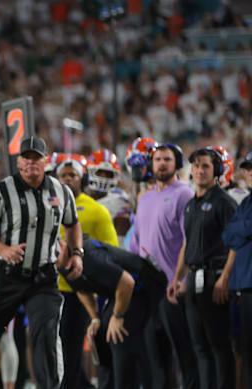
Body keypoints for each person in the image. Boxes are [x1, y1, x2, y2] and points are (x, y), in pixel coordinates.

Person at [0, 136, 84, 389]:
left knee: (47, 334)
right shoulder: (2, 190)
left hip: (44, 277)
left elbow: (72, 224)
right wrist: (3, 249)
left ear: (45, 161)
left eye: (37, 157)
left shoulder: (61, 191)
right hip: (6, 275)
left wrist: (77, 252)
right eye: (26, 157)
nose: (31, 162)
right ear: (19, 162)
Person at [128, 143, 198, 389]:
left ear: (177, 164)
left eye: (167, 159)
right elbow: (135, 245)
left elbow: (189, 241)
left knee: (185, 357)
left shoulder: (184, 194)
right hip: (148, 291)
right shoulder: (144, 198)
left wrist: (180, 280)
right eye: (157, 159)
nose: (161, 163)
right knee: (156, 361)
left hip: (173, 289)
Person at [167, 147, 237, 388]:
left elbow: (237, 243)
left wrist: (225, 277)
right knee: (200, 347)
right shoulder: (190, 205)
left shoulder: (224, 203)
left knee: (219, 345)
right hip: (194, 278)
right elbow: (188, 245)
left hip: (215, 278)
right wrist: (177, 278)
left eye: (205, 166)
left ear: (217, 171)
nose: (199, 170)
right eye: (196, 165)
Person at [58, 238, 168, 389]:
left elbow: (127, 282)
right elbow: (81, 289)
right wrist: (95, 318)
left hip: (146, 284)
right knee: (101, 337)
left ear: (64, 246)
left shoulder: (90, 258)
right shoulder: (61, 265)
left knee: (117, 337)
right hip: (120, 291)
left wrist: (118, 316)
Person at [55, 154, 118, 389]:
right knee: (58, 352)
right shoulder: (50, 208)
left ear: (82, 179)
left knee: (72, 354)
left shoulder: (96, 211)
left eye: (73, 175)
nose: (68, 179)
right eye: (63, 175)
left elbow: (111, 252)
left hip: (81, 294)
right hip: (52, 291)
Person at [223, 151, 252, 388]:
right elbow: (228, 235)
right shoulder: (246, 202)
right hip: (242, 287)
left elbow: (237, 231)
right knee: (242, 350)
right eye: (248, 168)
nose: (249, 173)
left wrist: (240, 229)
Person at [86, 149, 134, 245]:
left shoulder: (121, 200)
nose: (103, 177)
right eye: (99, 172)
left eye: (108, 174)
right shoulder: (80, 198)